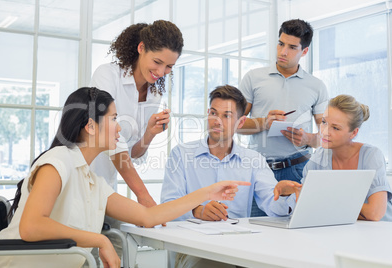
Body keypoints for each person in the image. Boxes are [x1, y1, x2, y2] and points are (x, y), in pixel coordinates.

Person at [0, 87, 249, 268]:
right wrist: (100, 240)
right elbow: (32, 226)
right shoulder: (59, 160)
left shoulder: (92, 181)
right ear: (91, 127)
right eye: (114, 118)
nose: (119, 127)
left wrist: (208, 192)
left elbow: (149, 216)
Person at [161, 85, 301, 268]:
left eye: (226, 116)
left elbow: (274, 207)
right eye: (213, 113)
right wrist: (197, 211)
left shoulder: (253, 160)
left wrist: (282, 194)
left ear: (240, 122)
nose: (217, 121)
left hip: (240, 246)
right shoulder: (181, 154)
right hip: (194, 247)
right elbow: (168, 204)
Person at [89, 20, 183, 260]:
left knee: (119, 255)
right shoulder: (107, 76)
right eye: (157, 62)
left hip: (105, 188)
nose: (161, 72)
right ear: (141, 48)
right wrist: (143, 196)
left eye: (169, 66)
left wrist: (149, 134)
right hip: (83, 181)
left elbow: (134, 153)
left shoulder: (155, 92)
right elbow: (115, 146)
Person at [238, 19, 329, 216]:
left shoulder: (316, 86)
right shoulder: (253, 78)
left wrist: (308, 139)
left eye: (292, 47)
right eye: (280, 44)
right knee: (254, 231)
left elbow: (327, 136)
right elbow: (235, 125)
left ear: (304, 52)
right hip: (258, 169)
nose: (283, 52)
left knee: (296, 233)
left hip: (297, 168)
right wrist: (263, 122)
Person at [303, 94, 392, 221]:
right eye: (323, 122)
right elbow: (305, 204)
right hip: (342, 228)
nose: (324, 132)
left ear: (354, 133)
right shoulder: (319, 156)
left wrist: (328, 204)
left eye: (335, 128)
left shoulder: (371, 155)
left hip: (379, 231)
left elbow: (374, 213)